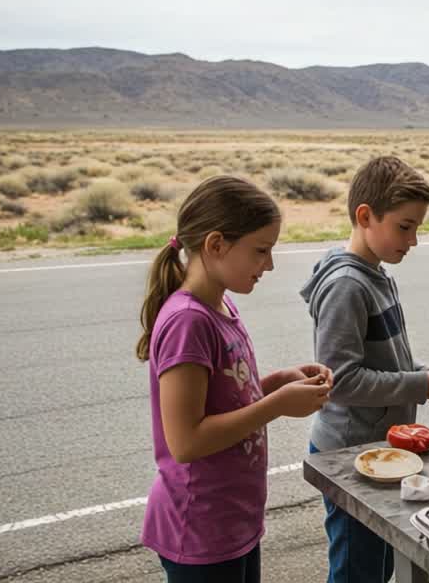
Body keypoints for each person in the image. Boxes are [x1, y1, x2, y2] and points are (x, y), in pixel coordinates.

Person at [137, 175, 332, 583]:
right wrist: (276, 406)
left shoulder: (220, 305)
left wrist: (277, 383)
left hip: (231, 522)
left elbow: (224, 399)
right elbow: (187, 441)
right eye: (261, 251)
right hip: (200, 532)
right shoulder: (188, 322)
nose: (270, 264)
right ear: (215, 245)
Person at [301, 155, 429, 583]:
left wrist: (428, 374)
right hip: (351, 453)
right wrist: (421, 384)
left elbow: (386, 357)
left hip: (376, 449)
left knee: (377, 564)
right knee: (358, 570)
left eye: (416, 227)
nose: (412, 240)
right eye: (404, 226)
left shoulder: (375, 272)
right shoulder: (347, 285)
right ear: (365, 216)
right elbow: (341, 383)